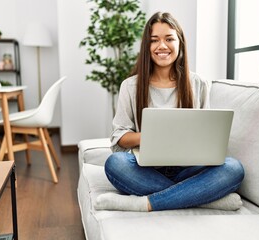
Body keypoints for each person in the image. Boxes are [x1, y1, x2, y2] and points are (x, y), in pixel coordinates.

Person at [95, 12, 245, 212]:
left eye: (169, 39)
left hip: (189, 169)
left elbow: (207, 134)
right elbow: (119, 137)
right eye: (154, 40)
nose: (162, 46)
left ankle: (147, 203)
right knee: (115, 164)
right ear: (147, 47)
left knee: (234, 168)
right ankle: (204, 198)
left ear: (180, 43)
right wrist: (152, 136)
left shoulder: (197, 83)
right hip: (145, 168)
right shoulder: (130, 86)